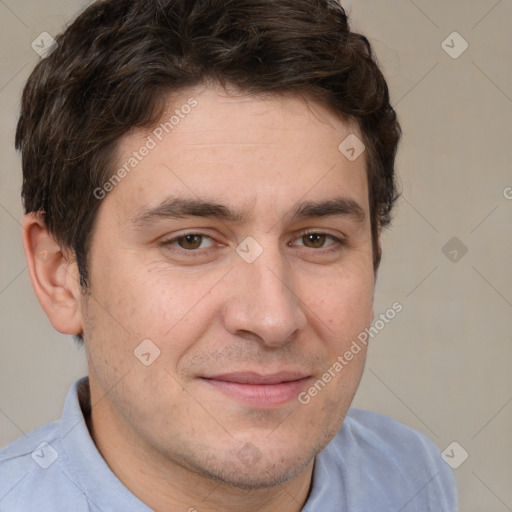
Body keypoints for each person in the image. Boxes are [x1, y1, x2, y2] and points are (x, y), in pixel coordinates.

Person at [0, 0, 457, 510]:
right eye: (191, 240)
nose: (272, 318)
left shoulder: (411, 475)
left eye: (316, 239)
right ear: (60, 275)